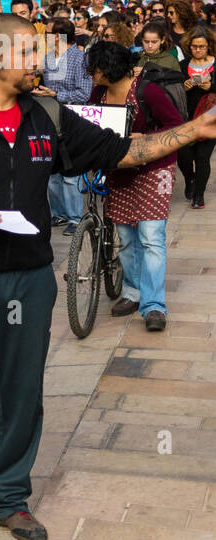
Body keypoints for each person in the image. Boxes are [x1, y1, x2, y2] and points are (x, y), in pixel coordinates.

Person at [0, 14, 216, 540]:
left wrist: (194, 130)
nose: (39, 62)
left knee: (22, 391)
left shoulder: (49, 115)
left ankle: (9, 496)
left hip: (27, 281)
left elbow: (123, 151)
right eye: (28, 52)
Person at [87, 41, 184, 331]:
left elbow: (176, 125)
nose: (92, 73)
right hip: (119, 170)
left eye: (96, 69)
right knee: (127, 237)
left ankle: (154, 305)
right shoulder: (99, 92)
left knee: (151, 238)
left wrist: (146, 136)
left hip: (154, 168)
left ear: (110, 69)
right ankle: (132, 291)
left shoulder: (148, 91)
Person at [35, 17, 93, 234]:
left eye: (48, 33)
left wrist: (57, 94)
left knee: (71, 173)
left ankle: (75, 217)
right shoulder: (49, 58)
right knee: (52, 172)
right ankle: (58, 213)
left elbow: (85, 93)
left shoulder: (81, 59)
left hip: (73, 120)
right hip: (50, 118)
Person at [178, 26, 216, 208]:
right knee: (183, 155)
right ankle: (190, 180)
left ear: (209, 46)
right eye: (195, 46)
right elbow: (175, 92)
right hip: (187, 117)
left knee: (202, 157)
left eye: (202, 46)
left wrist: (211, 87)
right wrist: (183, 87)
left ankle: (199, 195)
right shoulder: (184, 66)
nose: (198, 50)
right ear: (189, 46)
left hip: (210, 118)